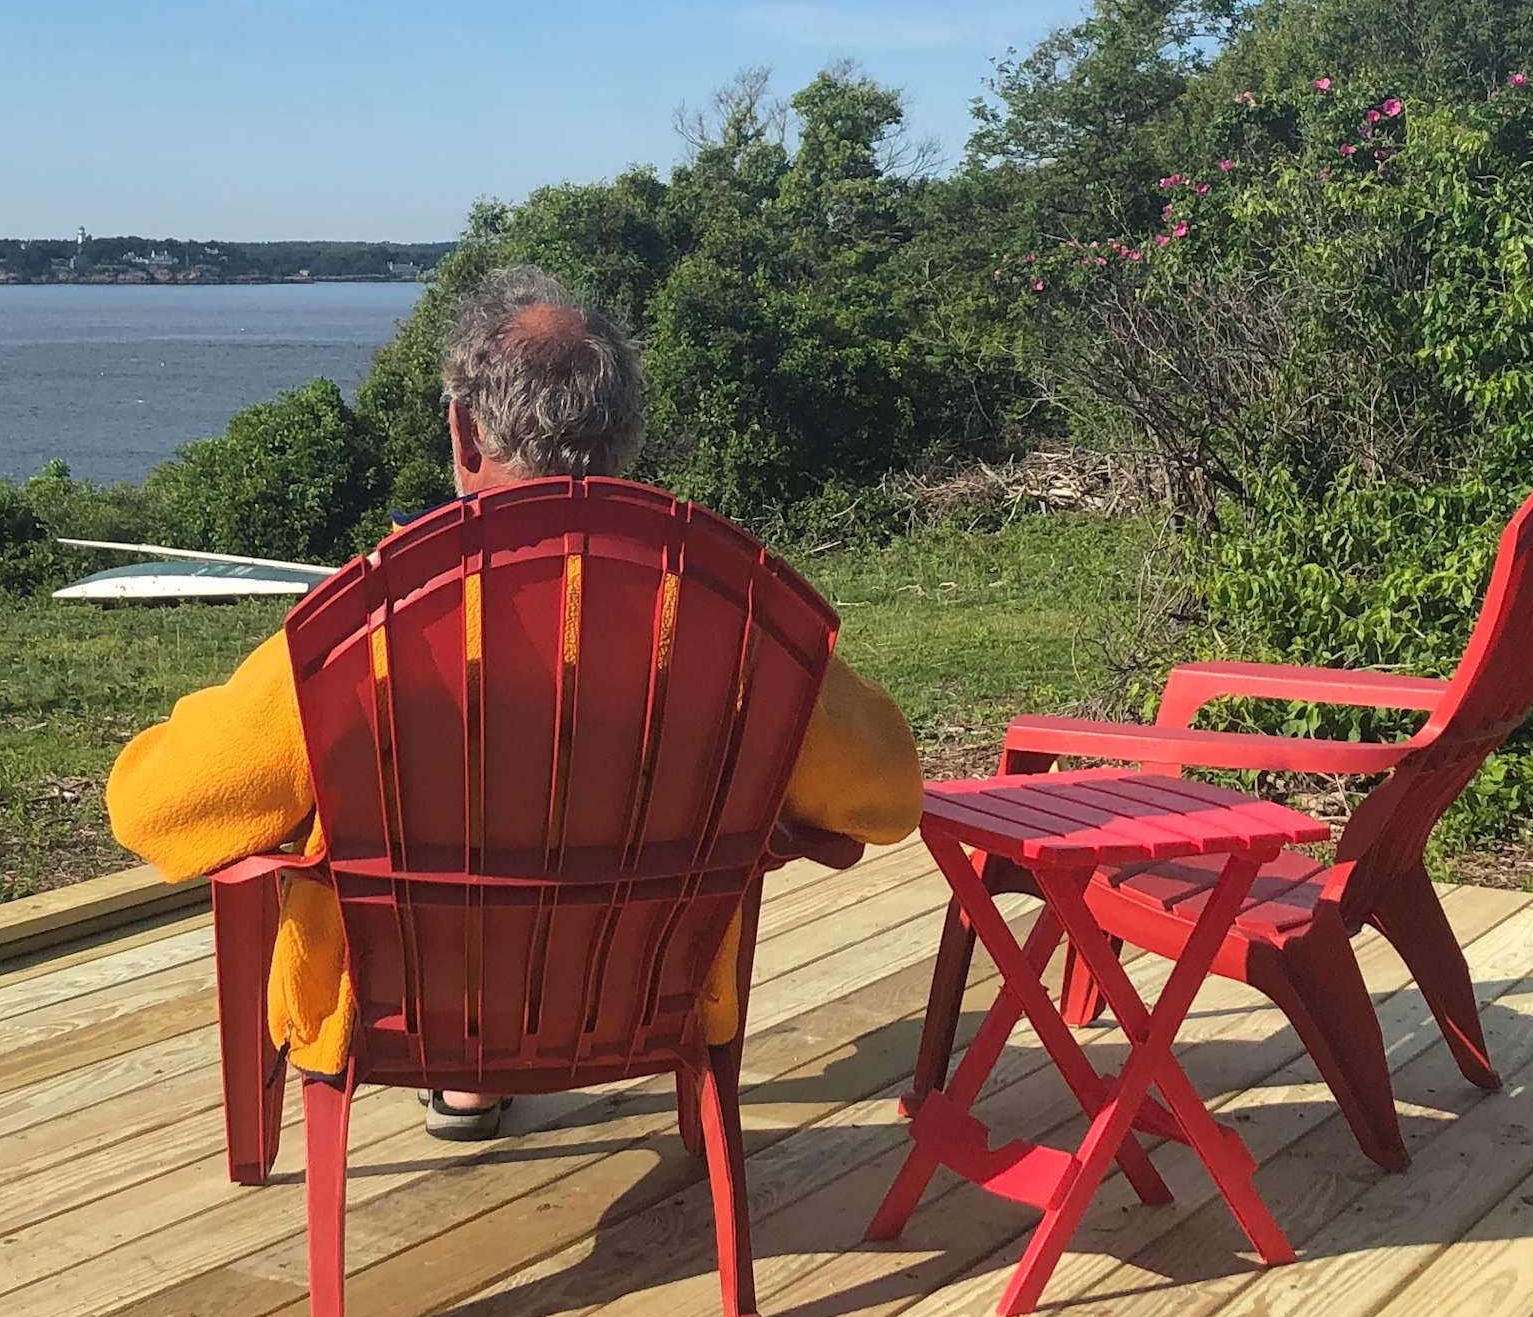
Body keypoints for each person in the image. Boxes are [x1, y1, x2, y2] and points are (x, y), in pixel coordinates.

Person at [105, 266, 923, 1141]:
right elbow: (888, 797)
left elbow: (157, 809)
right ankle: (482, 1081)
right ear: (627, 435)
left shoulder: (371, 623)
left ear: (465, 432)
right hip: (651, 999)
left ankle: (467, 1074)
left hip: (403, 1010)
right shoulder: (730, 609)